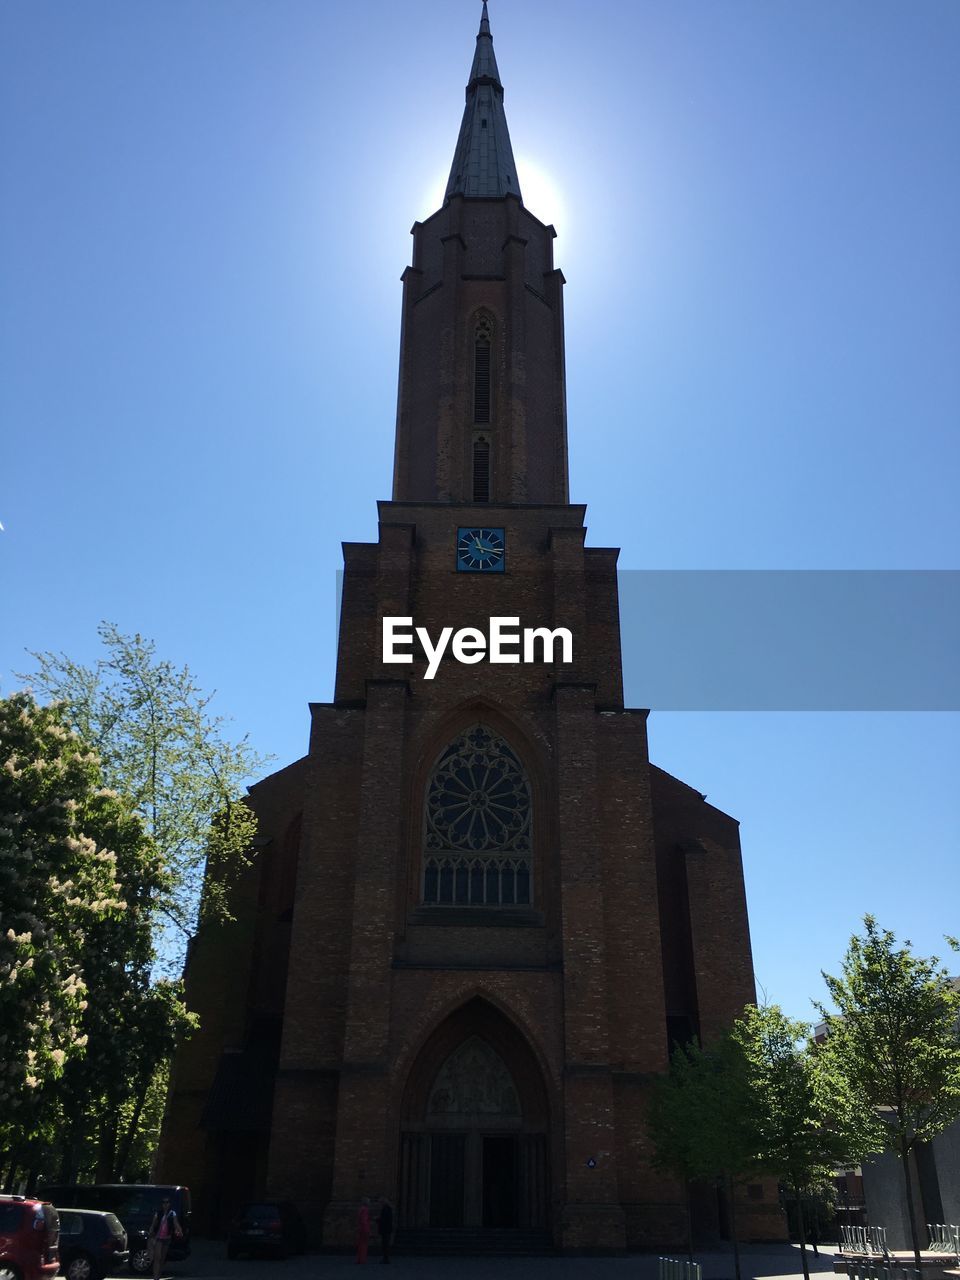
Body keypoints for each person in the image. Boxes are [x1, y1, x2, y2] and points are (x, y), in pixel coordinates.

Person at [148, 1196, 182, 1280]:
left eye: (167, 1202)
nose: (165, 1204)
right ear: (162, 1204)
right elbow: (154, 1223)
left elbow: (176, 1223)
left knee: (162, 1259)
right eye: (164, 1202)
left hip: (167, 1238)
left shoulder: (172, 1213)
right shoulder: (158, 1213)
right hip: (158, 1237)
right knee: (157, 1257)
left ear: (169, 1204)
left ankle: (158, 1276)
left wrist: (179, 1230)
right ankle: (155, 1278)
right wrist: (151, 1231)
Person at [377, 1198, 394, 1264]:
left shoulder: (386, 1209)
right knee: (385, 1244)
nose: (380, 1204)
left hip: (385, 1229)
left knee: (385, 1244)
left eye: (380, 1203)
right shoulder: (388, 1209)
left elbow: (384, 1219)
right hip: (387, 1229)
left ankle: (386, 1259)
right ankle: (385, 1258)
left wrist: (378, 1219)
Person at [356, 1197, 371, 1265]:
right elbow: (364, 1221)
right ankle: (362, 1259)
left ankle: (359, 1259)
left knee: (360, 1244)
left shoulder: (361, 1209)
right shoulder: (365, 1210)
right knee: (364, 1245)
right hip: (364, 1228)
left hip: (361, 1228)